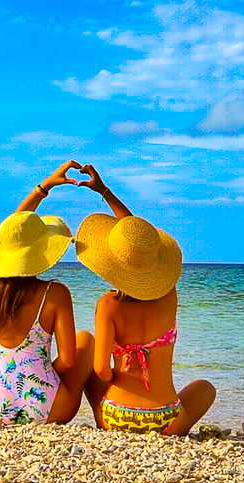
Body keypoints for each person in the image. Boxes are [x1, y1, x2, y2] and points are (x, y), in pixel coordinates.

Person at [76, 165, 216, 436]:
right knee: (206, 388)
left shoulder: (108, 306)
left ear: (113, 266)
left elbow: (102, 371)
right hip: (167, 420)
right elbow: (138, 246)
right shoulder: (169, 295)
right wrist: (106, 192)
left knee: (92, 372)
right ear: (156, 268)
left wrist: (104, 192)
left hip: (115, 417)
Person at [0, 162, 94, 425]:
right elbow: (67, 361)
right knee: (86, 341)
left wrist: (43, 188)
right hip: (51, 410)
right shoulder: (54, 293)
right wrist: (36, 377)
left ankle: (8, 409)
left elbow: (15, 232)